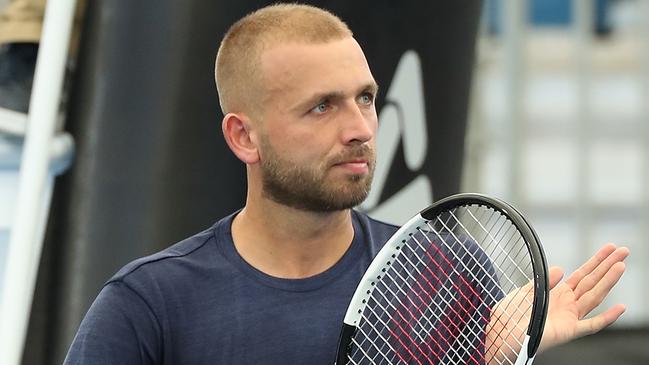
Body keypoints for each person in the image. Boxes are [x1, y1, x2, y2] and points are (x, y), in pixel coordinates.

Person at [63, 4, 629, 364]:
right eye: (321, 107)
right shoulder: (148, 305)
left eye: (365, 98)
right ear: (244, 137)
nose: (359, 129)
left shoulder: (448, 276)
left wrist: (503, 364)